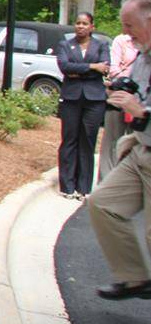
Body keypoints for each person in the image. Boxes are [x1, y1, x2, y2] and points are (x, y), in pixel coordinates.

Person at [88, 0, 151, 300]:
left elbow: (144, 108)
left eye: (130, 25)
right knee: (103, 204)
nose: (126, 32)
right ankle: (133, 277)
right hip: (140, 151)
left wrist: (142, 114)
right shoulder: (143, 57)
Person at [55, 12, 110, 199]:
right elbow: (64, 67)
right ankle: (67, 186)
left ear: (91, 27)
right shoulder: (65, 44)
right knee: (69, 139)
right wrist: (92, 67)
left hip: (94, 100)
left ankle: (83, 187)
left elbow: (105, 68)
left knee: (88, 140)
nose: (80, 26)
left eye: (85, 23)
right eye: (78, 23)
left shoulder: (101, 45)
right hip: (71, 98)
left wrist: (79, 70)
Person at [99, 29, 137, 180]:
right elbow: (114, 69)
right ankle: (105, 182)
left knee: (134, 142)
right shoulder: (121, 41)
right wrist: (128, 80)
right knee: (112, 140)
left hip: (139, 100)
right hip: (119, 94)